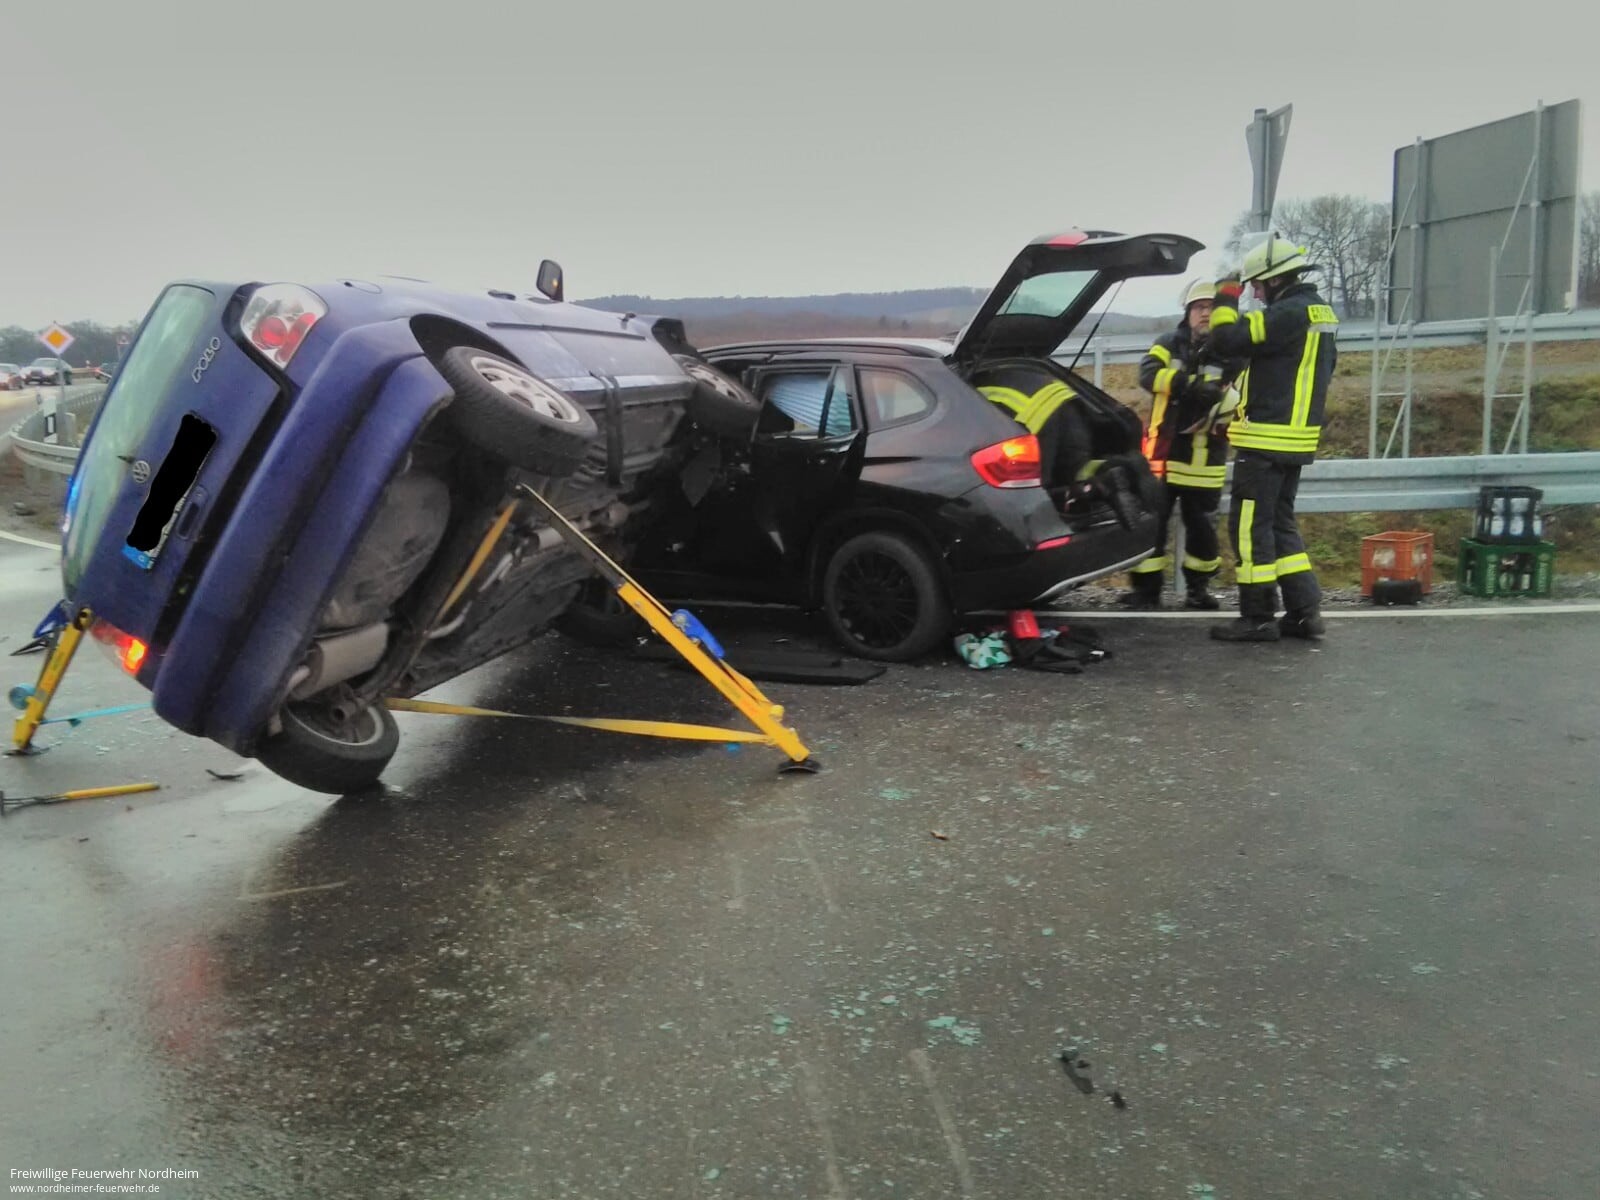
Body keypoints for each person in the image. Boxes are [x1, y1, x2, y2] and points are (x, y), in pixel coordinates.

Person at [1203, 234, 1339, 642]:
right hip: (1297, 439)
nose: (1256, 295)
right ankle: (1304, 612)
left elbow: (1226, 339)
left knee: (1249, 527)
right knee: (1280, 524)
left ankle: (1257, 616)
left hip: (1265, 438)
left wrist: (1226, 295)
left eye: (1258, 286)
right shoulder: (1320, 311)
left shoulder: (1287, 314)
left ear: (1276, 279)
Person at [1121, 279, 1238, 610]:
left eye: (1212, 308)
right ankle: (1146, 591)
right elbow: (1148, 375)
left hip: (1205, 457)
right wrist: (1187, 384)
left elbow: (1235, 390)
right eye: (1199, 307)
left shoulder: (1230, 350)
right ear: (1188, 312)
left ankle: (1198, 591)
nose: (1206, 314)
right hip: (1163, 454)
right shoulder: (1167, 343)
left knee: (1202, 530)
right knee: (1152, 525)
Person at [976, 364, 1144, 526]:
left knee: (1040, 490)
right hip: (1070, 404)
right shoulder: (1001, 373)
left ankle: (1090, 489)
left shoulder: (966, 388)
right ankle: (1109, 477)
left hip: (1040, 417)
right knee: (1078, 468)